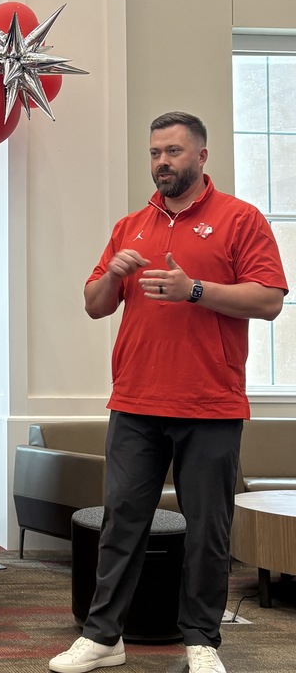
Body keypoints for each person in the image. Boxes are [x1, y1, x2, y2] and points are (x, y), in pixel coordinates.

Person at [50, 112, 287, 673]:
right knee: (121, 522)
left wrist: (195, 290)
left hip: (211, 402)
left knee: (208, 530)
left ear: (201, 158)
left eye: (174, 152)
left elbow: (270, 299)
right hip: (134, 400)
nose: (162, 162)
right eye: (155, 152)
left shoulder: (240, 219)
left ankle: (201, 641)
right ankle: (104, 636)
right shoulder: (132, 224)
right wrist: (113, 274)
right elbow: (94, 303)